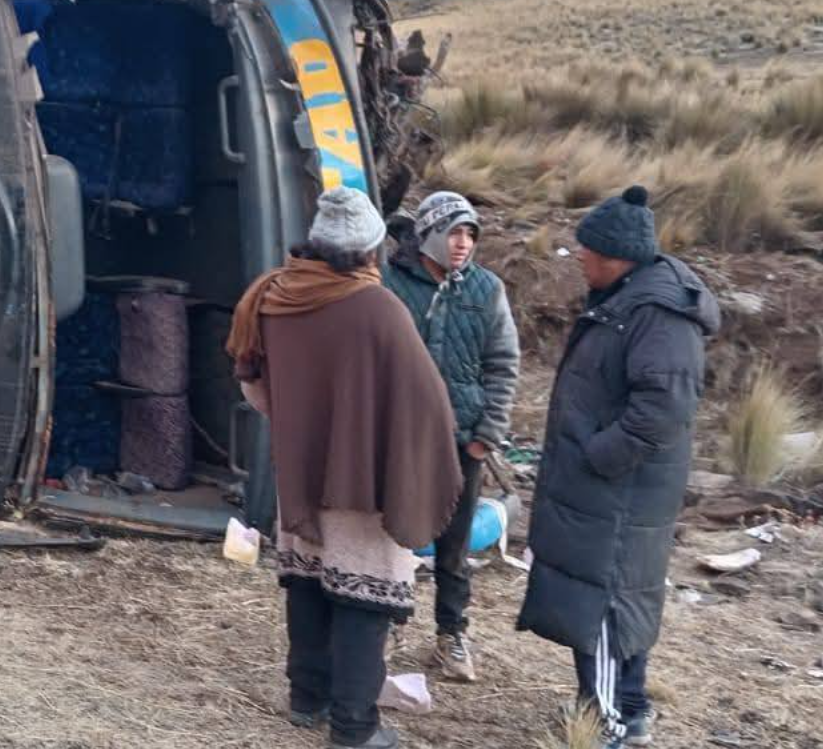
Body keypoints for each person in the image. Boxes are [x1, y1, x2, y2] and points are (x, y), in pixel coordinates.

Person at [227, 186, 462, 749]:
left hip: (299, 476)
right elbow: (427, 400)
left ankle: (307, 699)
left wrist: (297, 425)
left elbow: (252, 381)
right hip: (364, 482)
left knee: (307, 582)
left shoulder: (273, 294)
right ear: (369, 250)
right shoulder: (377, 308)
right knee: (364, 595)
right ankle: (355, 727)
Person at [516, 186, 719, 749]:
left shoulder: (655, 313)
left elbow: (664, 408)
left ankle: (605, 726)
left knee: (601, 606)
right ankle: (624, 709)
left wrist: (601, 455)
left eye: (587, 249)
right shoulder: (633, 295)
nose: (577, 256)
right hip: (615, 490)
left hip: (619, 489)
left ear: (617, 256)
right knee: (617, 598)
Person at [382, 191, 520, 682]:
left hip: (464, 438)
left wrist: (487, 433)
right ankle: (388, 624)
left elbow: (503, 364)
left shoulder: (486, 289)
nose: (463, 244)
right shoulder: (390, 282)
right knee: (394, 532)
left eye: (470, 235)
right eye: (454, 232)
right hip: (401, 434)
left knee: (454, 544)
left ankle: (450, 635)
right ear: (429, 234)